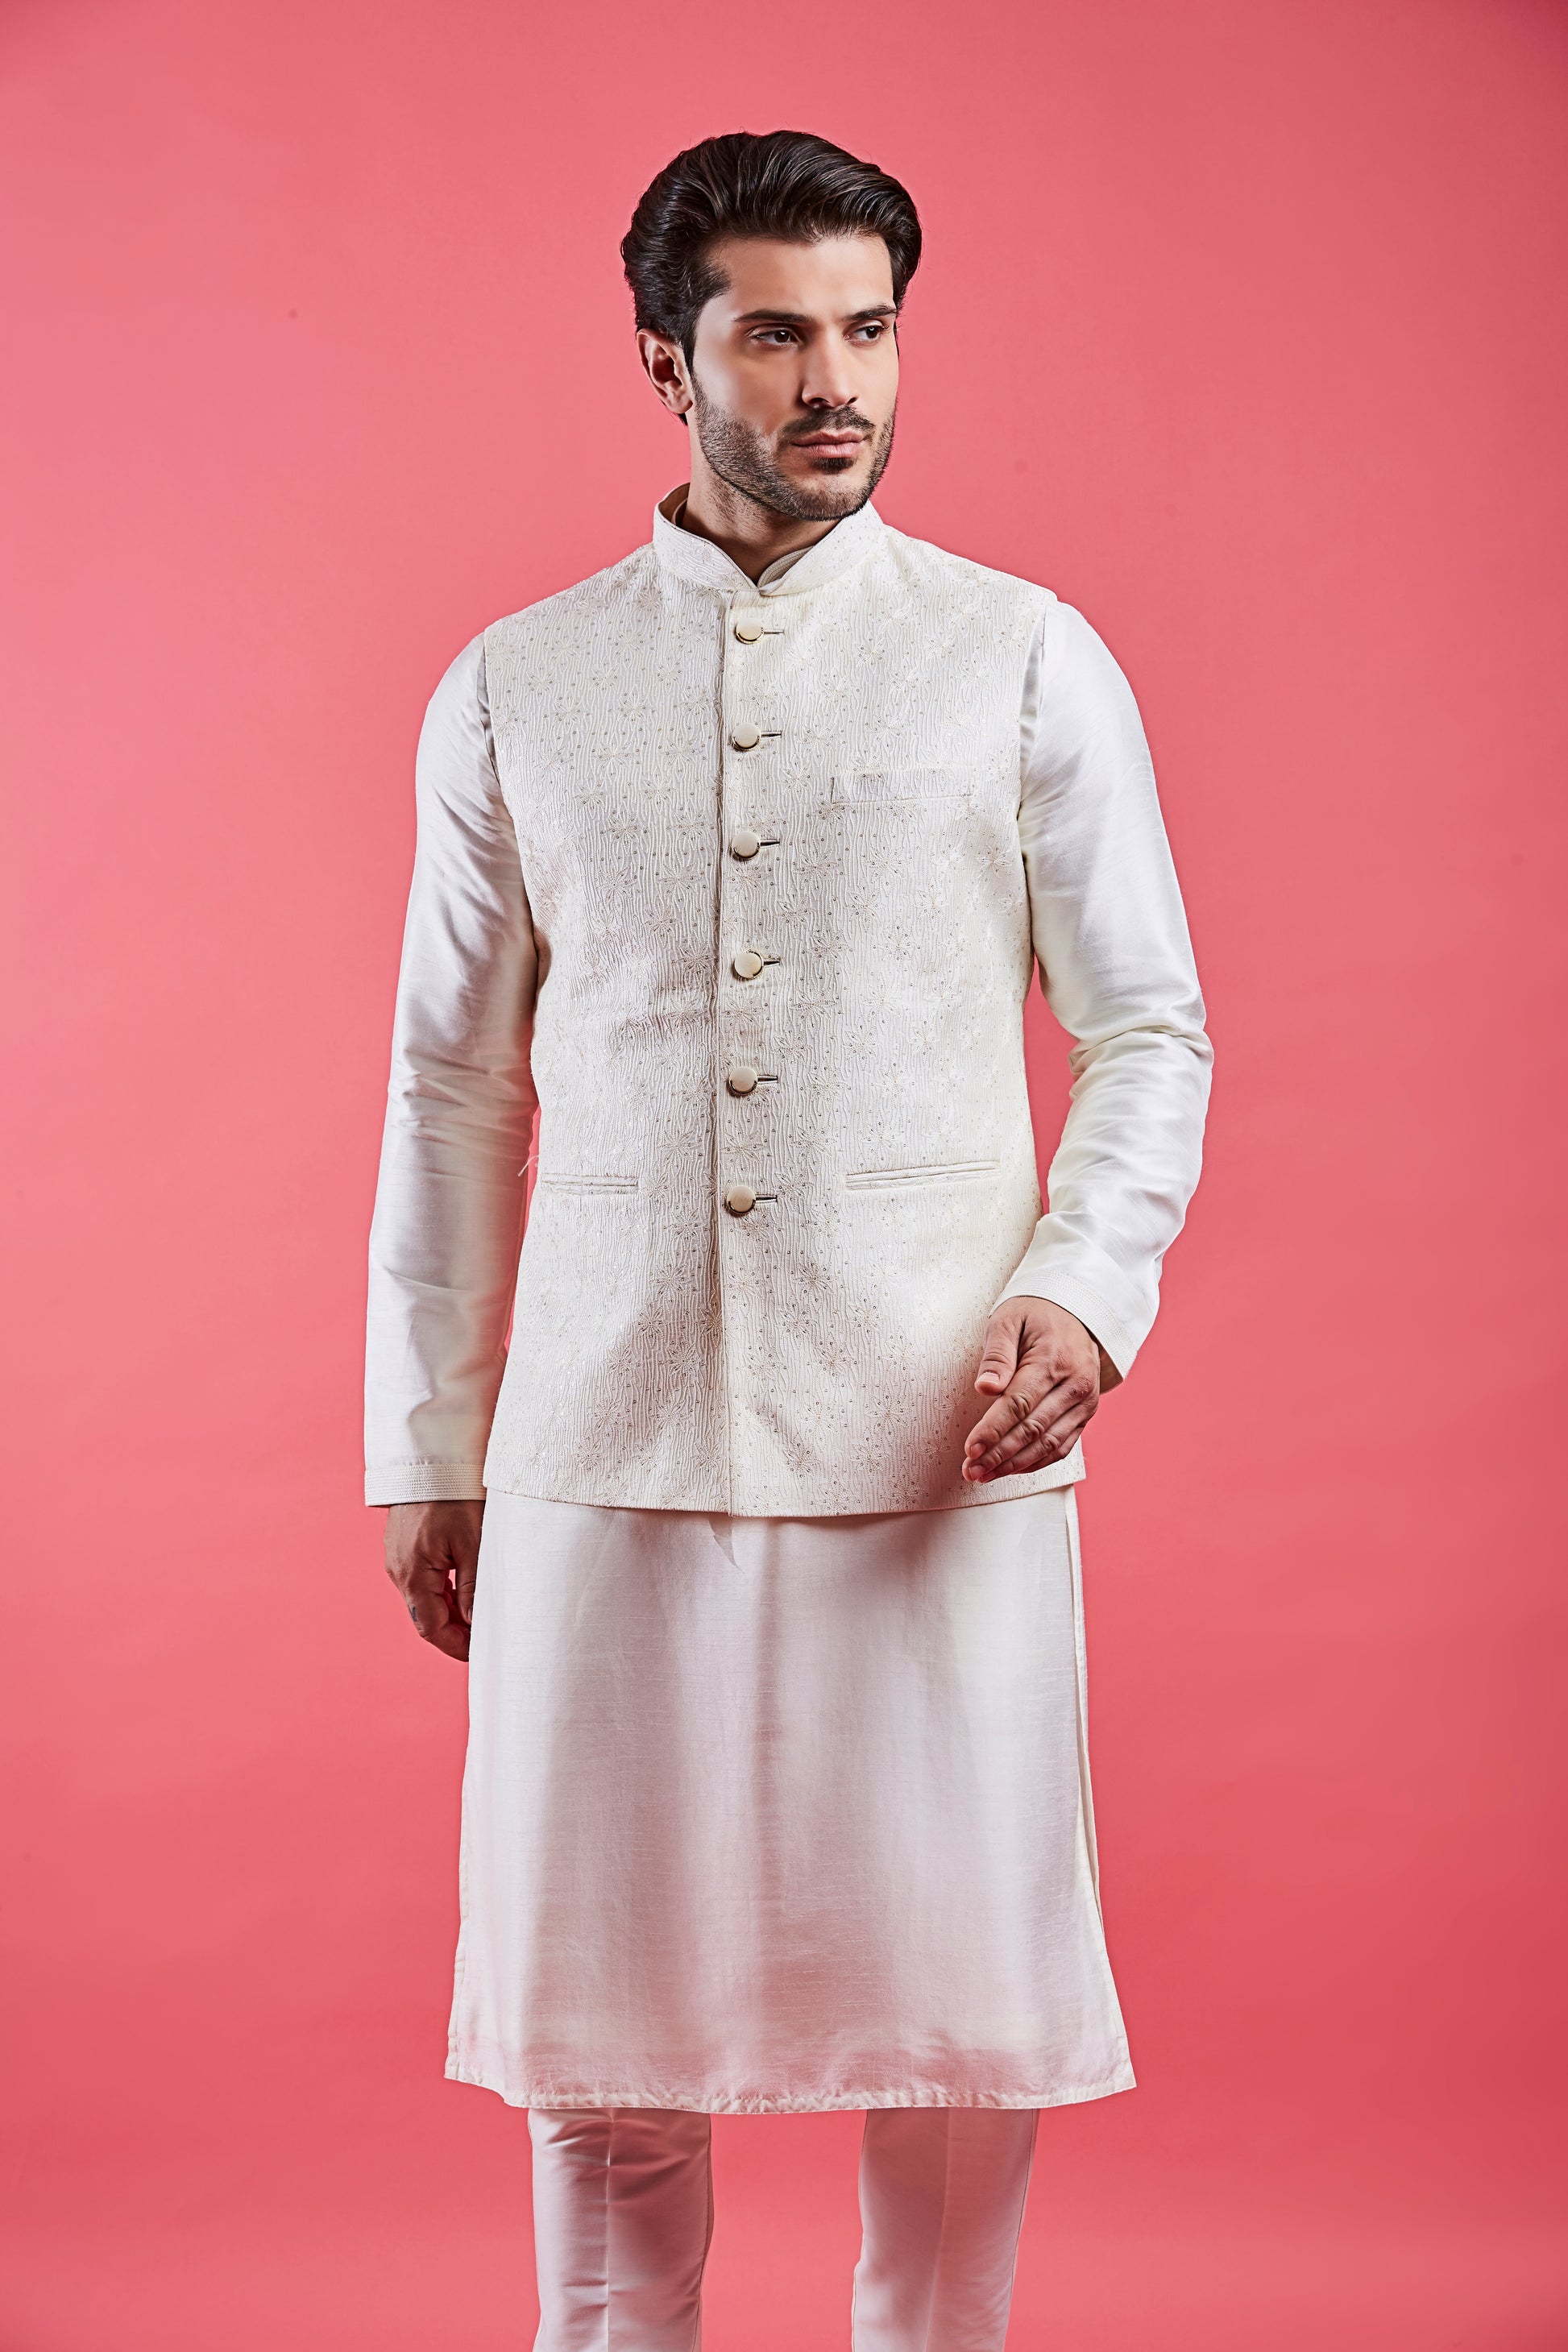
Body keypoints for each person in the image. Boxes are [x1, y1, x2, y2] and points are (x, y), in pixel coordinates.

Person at [365, 127, 1210, 2352]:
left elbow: (1147, 1026)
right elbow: (452, 1086)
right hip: (599, 1431)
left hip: (934, 1429)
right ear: (667, 362)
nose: (835, 381)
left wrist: (1083, 1288)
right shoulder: (513, 684)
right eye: (774, 335)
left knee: (956, 2030)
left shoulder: (1021, 660)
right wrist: (428, 1442)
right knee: (598, 2029)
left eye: (869, 330)